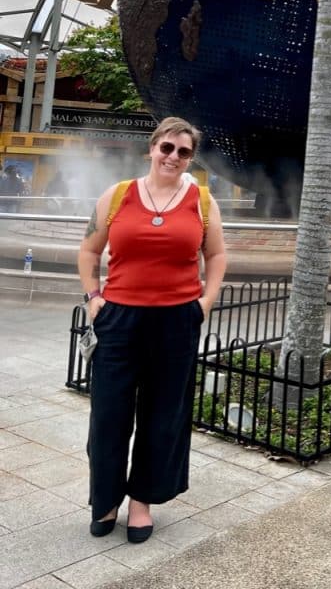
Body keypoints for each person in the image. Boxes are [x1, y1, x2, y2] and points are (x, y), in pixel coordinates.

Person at [77, 117, 227, 542]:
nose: (173, 157)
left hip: (177, 320)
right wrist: (93, 297)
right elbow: (89, 250)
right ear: (152, 149)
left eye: (183, 152)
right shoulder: (119, 195)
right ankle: (105, 500)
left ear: (190, 159)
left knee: (163, 416)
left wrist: (205, 301)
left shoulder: (202, 200)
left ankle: (142, 501)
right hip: (119, 318)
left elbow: (216, 256)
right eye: (167, 148)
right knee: (109, 415)